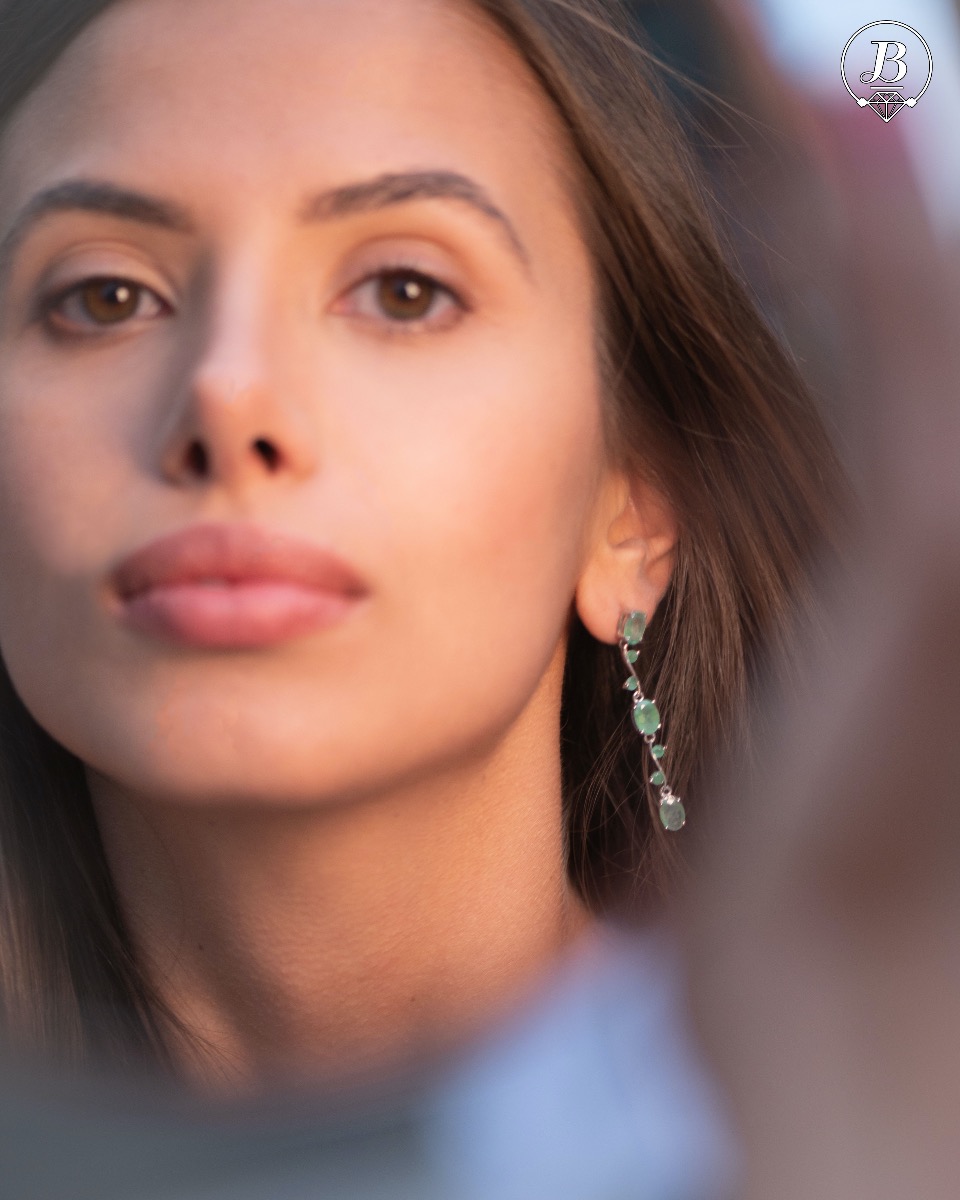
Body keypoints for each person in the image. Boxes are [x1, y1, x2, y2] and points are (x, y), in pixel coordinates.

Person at [0, 0, 843, 1103]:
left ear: (633, 511)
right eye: (105, 297)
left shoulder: (866, 1121)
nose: (225, 392)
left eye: (405, 292)